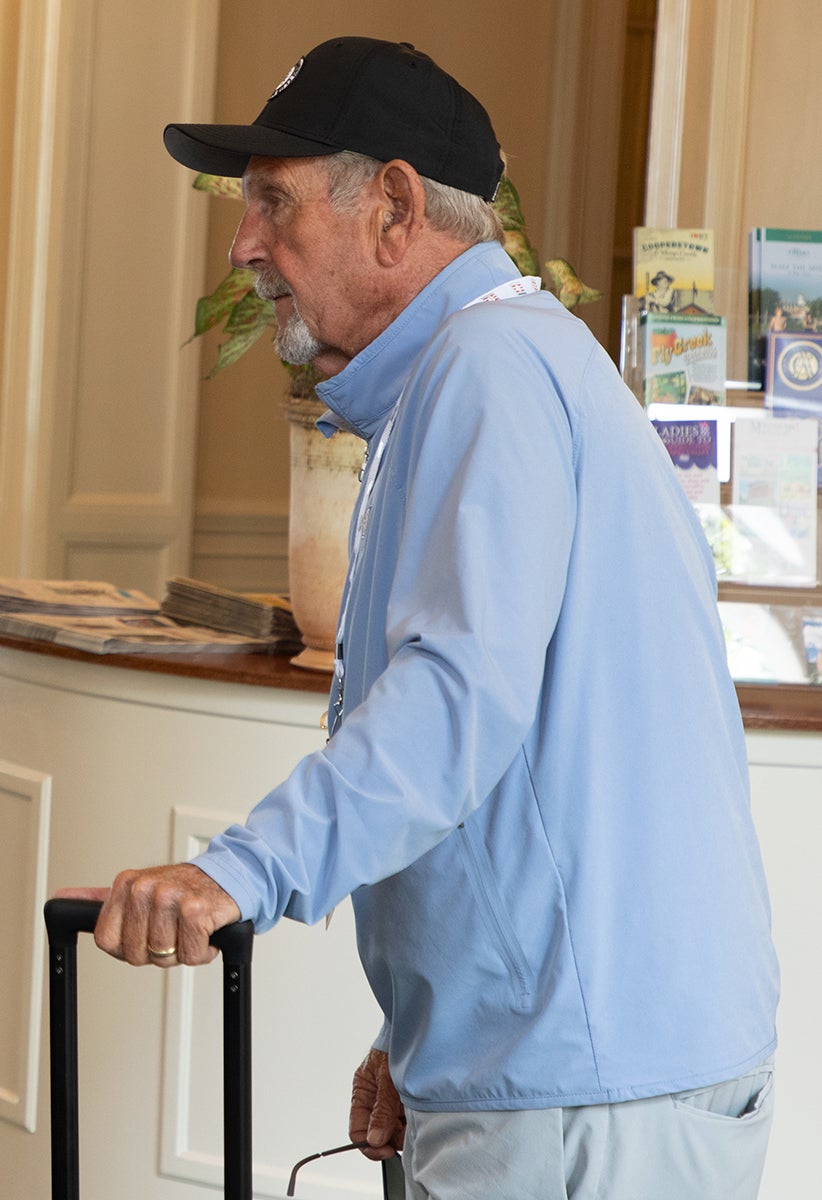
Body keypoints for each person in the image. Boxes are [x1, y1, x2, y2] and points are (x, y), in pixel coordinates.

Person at [61, 37, 779, 1199]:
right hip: (578, 1074)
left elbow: (457, 704)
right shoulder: (504, 361)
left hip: (586, 1094)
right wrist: (437, 1039)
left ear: (394, 206)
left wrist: (237, 872)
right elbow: (546, 755)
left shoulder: (487, 369)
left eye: (272, 204)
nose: (245, 244)